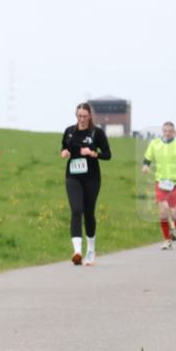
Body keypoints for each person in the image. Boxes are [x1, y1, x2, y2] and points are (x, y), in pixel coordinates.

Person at [60, 103, 112, 265]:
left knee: (89, 213)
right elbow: (64, 148)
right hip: (73, 176)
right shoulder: (69, 132)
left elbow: (108, 155)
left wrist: (92, 153)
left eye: (84, 116)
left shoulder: (96, 133)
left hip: (92, 178)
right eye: (78, 116)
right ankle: (77, 252)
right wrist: (64, 152)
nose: (81, 119)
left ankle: (90, 250)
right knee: (76, 210)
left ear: (89, 116)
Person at [142, 122, 176, 249]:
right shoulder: (155, 143)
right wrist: (146, 166)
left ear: (173, 132)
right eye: (165, 131)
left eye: (170, 131)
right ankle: (167, 240)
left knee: (175, 213)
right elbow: (147, 158)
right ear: (162, 131)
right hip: (161, 182)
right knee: (163, 212)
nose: (167, 133)